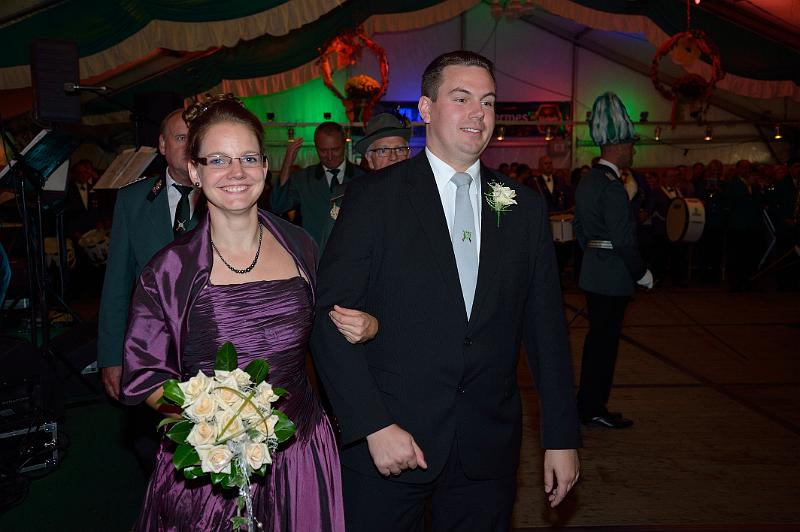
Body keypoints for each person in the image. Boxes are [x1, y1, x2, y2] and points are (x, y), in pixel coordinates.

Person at [311, 51, 580, 532]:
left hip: (486, 449)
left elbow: (546, 330)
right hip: (391, 440)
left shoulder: (522, 207)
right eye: (462, 98)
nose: (478, 113)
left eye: (488, 102)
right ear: (427, 108)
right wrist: (372, 424)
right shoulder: (374, 197)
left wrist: (561, 436)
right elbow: (328, 318)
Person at [120, 95, 377, 531]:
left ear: (265, 166)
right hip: (213, 460)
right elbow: (145, 376)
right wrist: (214, 422)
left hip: (301, 450)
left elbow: (327, 329)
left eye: (248, 158)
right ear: (195, 171)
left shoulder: (301, 246)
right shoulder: (169, 269)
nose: (236, 172)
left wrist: (369, 325)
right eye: (219, 160)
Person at [98, 109, 203, 473]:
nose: (188, 146)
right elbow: (116, 283)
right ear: (162, 145)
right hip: (152, 349)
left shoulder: (222, 195)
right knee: (154, 449)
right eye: (180, 137)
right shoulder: (133, 200)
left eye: (195, 138)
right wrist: (111, 356)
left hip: (209, 345)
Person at [574, 92, 653, 430]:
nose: (633, 151)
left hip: (593, 272)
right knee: (605, 346)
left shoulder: (587, 180)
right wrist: (641, 272)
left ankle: (588, 404)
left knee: (597, 342)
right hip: (613, 276)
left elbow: (579, 228)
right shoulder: (613, 186)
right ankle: (594, 407)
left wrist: (595, 254)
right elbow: (623, 238)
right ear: (618, 147)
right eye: (631, 145)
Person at [270, 122, 364, 249]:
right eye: (323, 150)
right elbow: (278, 205)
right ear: (316, 147)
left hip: (354, 253)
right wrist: (287, 162)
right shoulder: (303, 179)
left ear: (344, 145)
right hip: (315, 255)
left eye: (335, 149)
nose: (330, 156)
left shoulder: (362, 178)